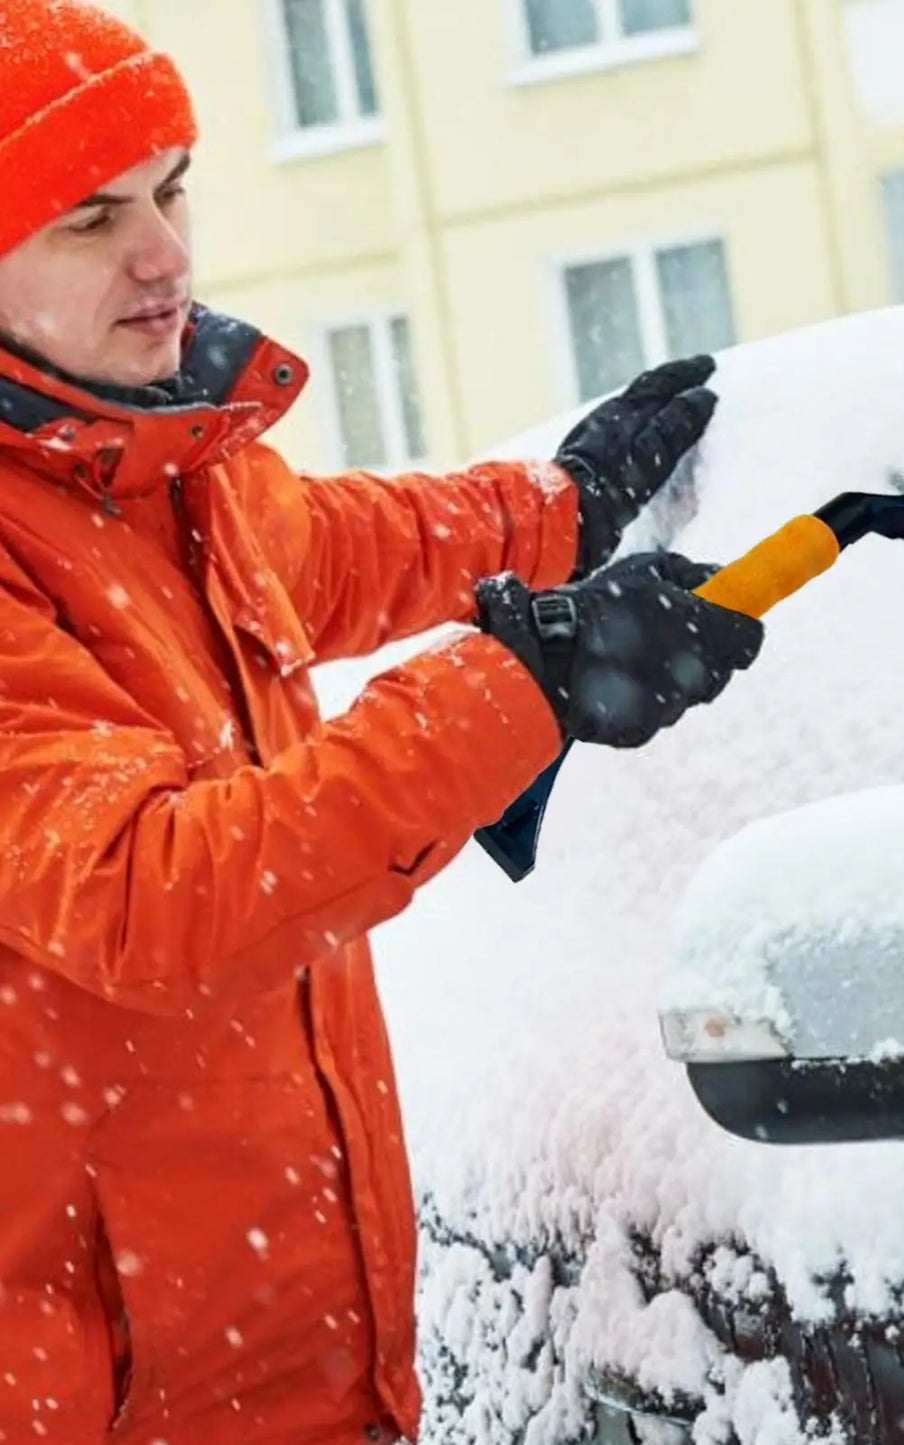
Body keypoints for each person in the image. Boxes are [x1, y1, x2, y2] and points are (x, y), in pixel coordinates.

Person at [0, 4, 763, 1443]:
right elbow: (156, 891)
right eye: (89, 218)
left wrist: (559, 510)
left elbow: (346, 547)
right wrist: (527, 685)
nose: (164, 254)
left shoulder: (162, 474)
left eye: (171, 190)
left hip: (309, 1374)